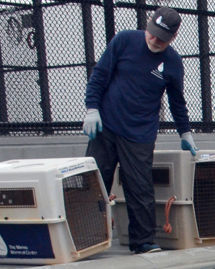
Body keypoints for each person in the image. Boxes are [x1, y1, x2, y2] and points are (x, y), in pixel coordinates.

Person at [82, 6, 198, 255]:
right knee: (93, 182)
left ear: (173, 38)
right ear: (148, 24)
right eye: (152, 33)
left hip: (140, 133)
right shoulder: (124, 40)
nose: (154, 40)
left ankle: (143, 242)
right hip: (107, 126)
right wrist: (92, 108)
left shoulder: (173, 62)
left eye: (162, 38)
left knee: (140, 188)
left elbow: (177, 102)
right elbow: (100, 75)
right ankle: (83, 238)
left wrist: (185, 132)